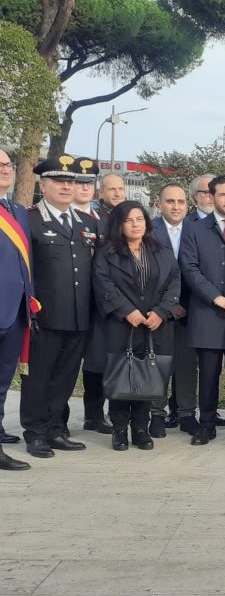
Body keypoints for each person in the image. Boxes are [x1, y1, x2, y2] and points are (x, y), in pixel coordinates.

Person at [20, 155, 99, 459]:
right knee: (38, 378)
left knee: (65, 378)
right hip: (44, 317)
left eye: (72, 181)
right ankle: (35, 432)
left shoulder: (87, 222)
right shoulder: (29, 220)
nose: (67, 187)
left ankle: (55, 428)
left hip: (79, 316)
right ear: (43, 184)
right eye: (59, 181)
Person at [92, 201, 180, 451]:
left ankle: (141, 427)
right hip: (122, 325)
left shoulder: (160, 250)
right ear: (119, 224)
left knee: (147, 376)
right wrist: (125, 310)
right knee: (123, 375)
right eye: (129, 220)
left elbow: (175, 281)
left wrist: (162, 311)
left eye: (139, 219)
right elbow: (103, 283)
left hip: (154, 324)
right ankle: (119, 429)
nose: (135, 225)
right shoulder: (107, 252)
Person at [178, 175, 225, 446]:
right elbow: (189, 268)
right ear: (211, 197)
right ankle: (206, 424)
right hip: (208, 313)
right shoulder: (194, 228)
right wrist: (218, 299)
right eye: (222, 195)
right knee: (208, 374)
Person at [151, 183, 195, 437]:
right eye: (170, 201)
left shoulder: (196, 230)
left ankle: (187, 413)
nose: (176, 206)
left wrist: (185, 305)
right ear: (160, 203)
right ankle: (157, 414)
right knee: (159, 362)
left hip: (191, 309)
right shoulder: (149, 230)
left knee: (188, 364)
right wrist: (168, 306)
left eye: (180, 202)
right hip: (159, 310)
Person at [0, 149, 35, 470]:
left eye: (8, 164)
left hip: (16, 312)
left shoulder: (17, 210)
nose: (5, 170)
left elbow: (26, 264)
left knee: (2, 383)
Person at [74, 162, 113, 435]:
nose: (84, 188)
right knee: (62, 364)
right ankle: (54, 418)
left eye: (88, 184)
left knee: (97, 362)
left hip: (98, 304)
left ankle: (94, 415)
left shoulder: (105, 222)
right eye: (79, 183)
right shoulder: (52, 218)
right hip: (68, 302)